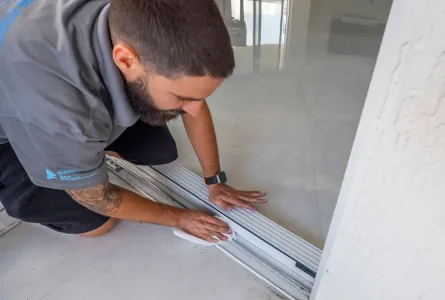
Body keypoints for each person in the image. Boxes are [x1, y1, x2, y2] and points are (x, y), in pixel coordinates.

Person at [0, 0, 267, 242]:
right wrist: (179, 217)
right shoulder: (65, 115)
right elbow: (99, 199)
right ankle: (56, 170)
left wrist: (215, 181)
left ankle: (82, 157)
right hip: (11, 135)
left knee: (160, 152)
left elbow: (193, 98)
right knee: (97, 225)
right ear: (125, 59)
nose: (194, 111)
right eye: (181, 97)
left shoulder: (136, 15)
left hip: (48, 79)